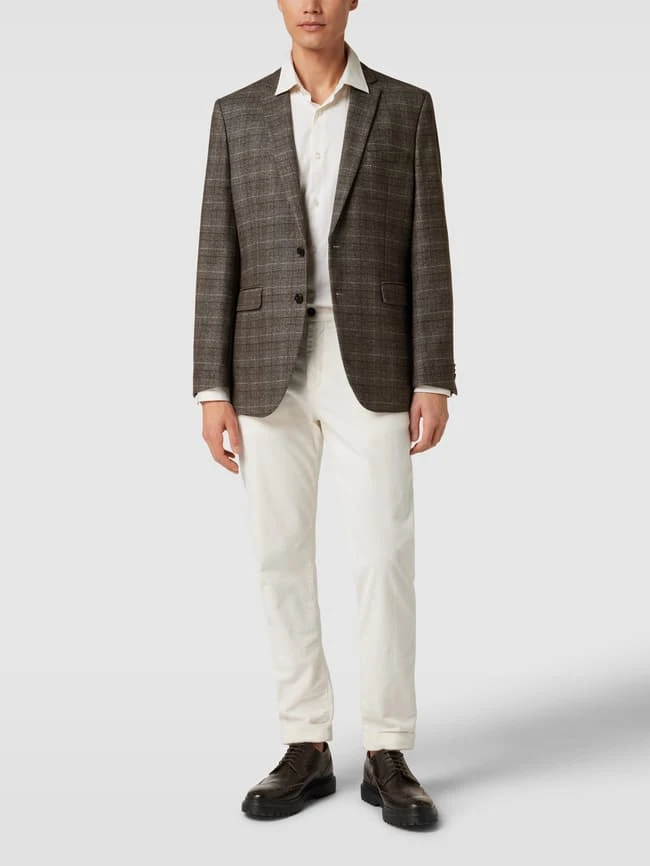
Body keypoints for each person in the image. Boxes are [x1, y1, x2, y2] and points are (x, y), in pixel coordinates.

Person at [193, 0, 457, 830]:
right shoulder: (236, 114)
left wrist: (433, 375)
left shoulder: (406, 107)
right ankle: (305, 741)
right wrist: (210, 388)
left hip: (372, 362)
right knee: (279, 557)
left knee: (384, 556)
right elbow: (217, 252)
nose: (311, 3)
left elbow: (429, 244)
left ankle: (388, 749)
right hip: (264, 367)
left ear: (353, 1)